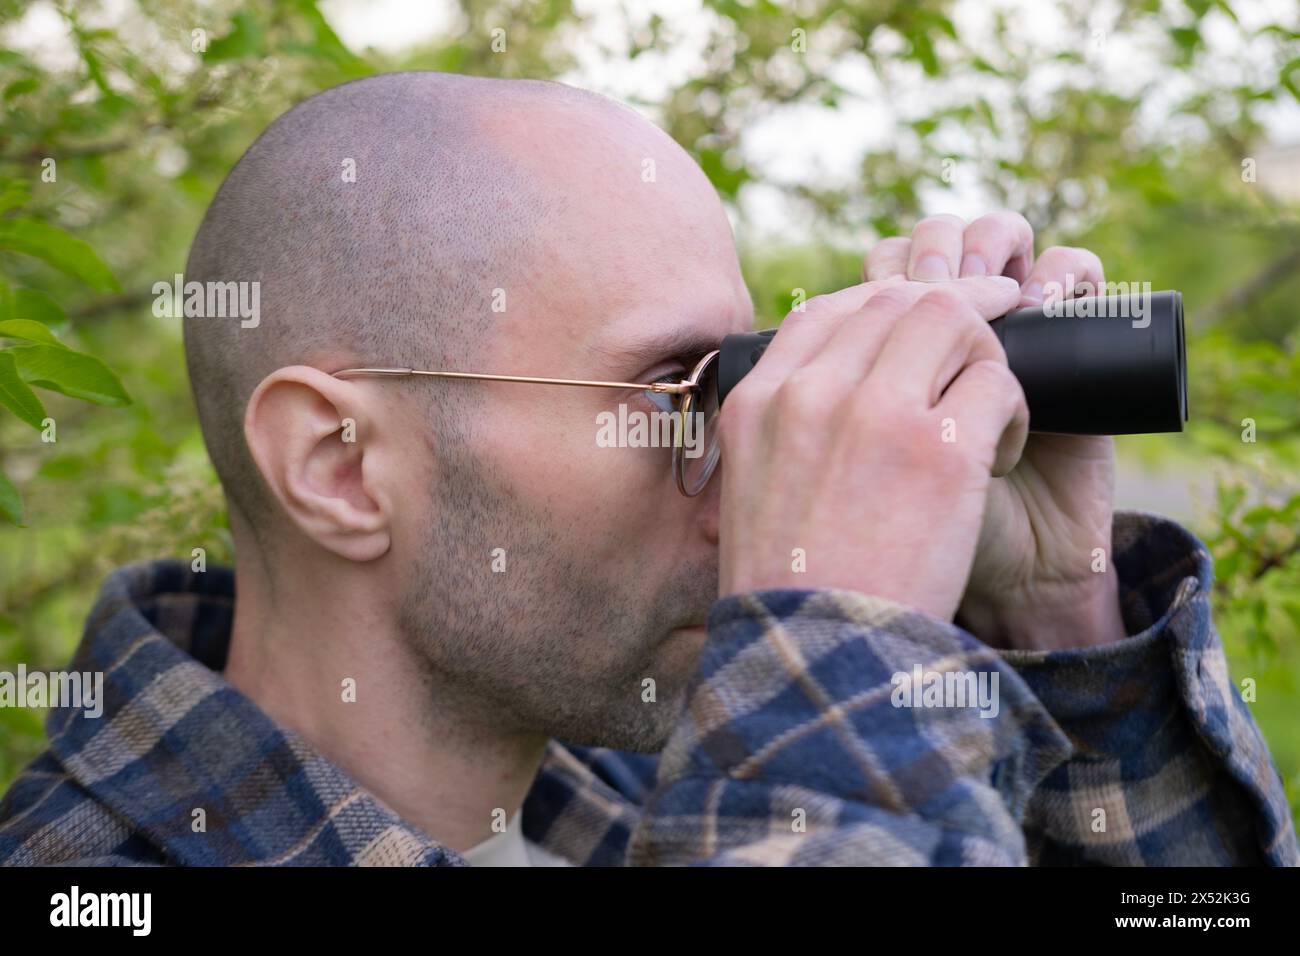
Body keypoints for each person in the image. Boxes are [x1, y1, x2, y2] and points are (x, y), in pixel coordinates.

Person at [0, 72, 1294, 866]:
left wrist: (1052, 612)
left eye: (747, 377)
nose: (757, 465)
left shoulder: (645, 796)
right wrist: (841, 638)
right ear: (340, 465)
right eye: (680, 393)